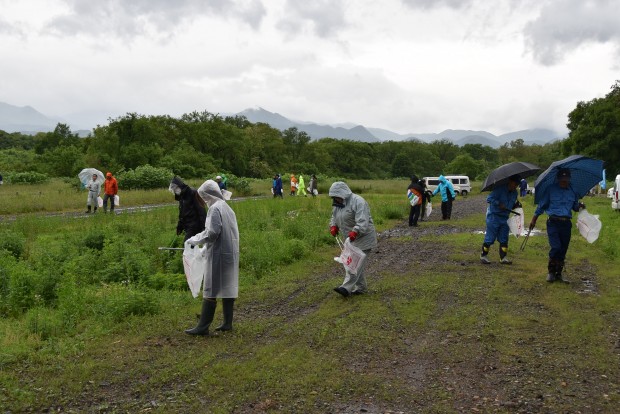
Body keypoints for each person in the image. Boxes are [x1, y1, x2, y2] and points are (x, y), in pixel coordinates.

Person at [185, 180, 240, 335]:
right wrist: (204, 249)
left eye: (203, 196)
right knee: (228, 285)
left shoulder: (215, 209)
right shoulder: (226, 207)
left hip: (219, 256)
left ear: (207, 194)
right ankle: (227, 323)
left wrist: (195, 240)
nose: (202, 199)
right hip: (229, 253)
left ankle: (202, 327)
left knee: (210, 288)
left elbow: (212, 233)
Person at [529, 169, 586, 283]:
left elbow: (575, 207)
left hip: (566, 224)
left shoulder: (573, 191)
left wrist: (580, 206)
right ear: (558, 179)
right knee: (556, 247)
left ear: (569, 179)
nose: (564, 182)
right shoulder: (551, 189)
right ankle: (551, 272)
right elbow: (542, 205)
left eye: (566, 180)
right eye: (562, 180)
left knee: (563, 249)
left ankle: (559, 273)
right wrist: (534, 219)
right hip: (553, 223)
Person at [329, 181, 378, 297]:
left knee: (353, 264)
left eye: (337, 196)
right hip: (350, 239)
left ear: (343, 193)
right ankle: (361, 288)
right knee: (354, 264)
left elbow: (362, 220)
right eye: (334, 197)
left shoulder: (358, 201)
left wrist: (355, 231)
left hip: (364, 237)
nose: (336, 199)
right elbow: (334, 217)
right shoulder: (337, 205)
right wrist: (333, 226)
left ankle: (346, 288)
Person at [480, 175, 521, 265]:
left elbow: (510, 206)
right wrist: (499, 203)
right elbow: (489, 199)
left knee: (504, 238)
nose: (516, 186)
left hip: (505, 218)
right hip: (494, 216)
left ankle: (503, 258)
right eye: (515, 183)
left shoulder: (515, 193)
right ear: (510, 181)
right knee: (490, 238)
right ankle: (483, 256)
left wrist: (515, 206)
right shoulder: (499, 189)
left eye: (518, 184)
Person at [169, 176, 207, 241]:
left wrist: (204, 226)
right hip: (187, 225)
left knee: (187, 243)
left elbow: (201, 210)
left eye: (175, 190)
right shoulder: (181, 196)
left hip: (195, 225)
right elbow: (182, 213)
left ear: (179, 186)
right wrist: (179, 226)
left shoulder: (193, 192)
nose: (175, 192)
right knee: (191, 245)